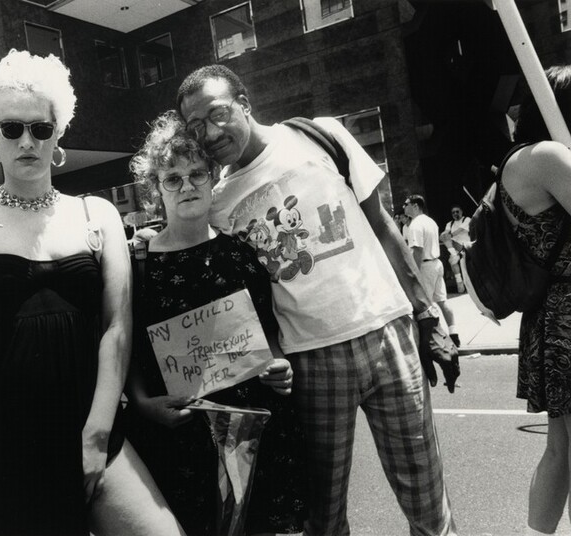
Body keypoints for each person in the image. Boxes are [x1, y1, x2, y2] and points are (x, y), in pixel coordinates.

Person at [0, 50, 184, 536]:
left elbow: (117, 328)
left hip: (86, 422)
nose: (27, 141)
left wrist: (97, 434)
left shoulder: (97, 214)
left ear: (58, 134)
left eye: (40, 128)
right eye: (11, 128)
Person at [177, 64, 458, 536]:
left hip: (388, 333)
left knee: (429, 504)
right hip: (310, 363)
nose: (210, 132)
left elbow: (382, 226)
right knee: (322, 519)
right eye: (195, 126)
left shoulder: (319, 136)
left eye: (218, 114)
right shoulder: (218, 203)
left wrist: (427, 313)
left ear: (244, 103)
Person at [124, 110, 307, 535]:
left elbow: (268, 333)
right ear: (156, 188)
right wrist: (143, 403)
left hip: (254, 427)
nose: (187, 186)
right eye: (172, 178)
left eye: (197, 174)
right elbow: (126, 345)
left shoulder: (242, 254)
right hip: (181, 434)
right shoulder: (138, 264)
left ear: (213, 178)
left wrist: (279, 366)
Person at [499, 65, 571, 536]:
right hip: (567, 313)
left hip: (552, 314)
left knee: (561, 449)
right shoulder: (548, 156)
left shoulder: (520, 158)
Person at [404, 194, 461, 347]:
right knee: (442, 301)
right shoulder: (431, 222)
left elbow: (417, 250)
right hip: (436, 264)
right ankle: (454, 334)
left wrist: (414, 273)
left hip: (425, 267)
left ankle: (436, 340)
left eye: (406, 204)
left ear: (415, 206)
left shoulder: (415, 224)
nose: (404, 207)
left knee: (426, 306)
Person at [440, 205, 471, 293]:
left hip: (466, 246)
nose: (455, 214)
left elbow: (460, 230)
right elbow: (446, 233)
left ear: (461, 212)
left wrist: (449, 235)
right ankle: (459, 282)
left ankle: (454, 254)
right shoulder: (449, 224)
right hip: (455, 249)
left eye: (457, 211)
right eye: (453, 212)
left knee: (452, 254)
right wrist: (443, 235)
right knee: (452, 261)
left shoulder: (466, 219)